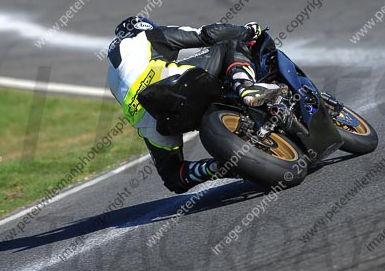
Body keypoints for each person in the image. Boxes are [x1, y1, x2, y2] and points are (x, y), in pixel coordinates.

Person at [107, 18, 281, 194]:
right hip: (170, 83)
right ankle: (245, 86)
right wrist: (248, 31)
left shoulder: (112, 76)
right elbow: (207, 34)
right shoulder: (146, 37)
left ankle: (216, 167)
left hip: (151, 119)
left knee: (173, 176)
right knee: (229, 43)